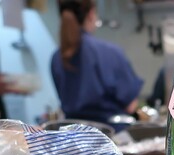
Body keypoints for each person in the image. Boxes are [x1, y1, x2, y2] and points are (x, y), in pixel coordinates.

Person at [50, 0, 144, 131]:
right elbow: (131, 105)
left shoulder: (57, 58)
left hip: (74, 137)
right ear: (91, 14)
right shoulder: (110, 52)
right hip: (112, 136)